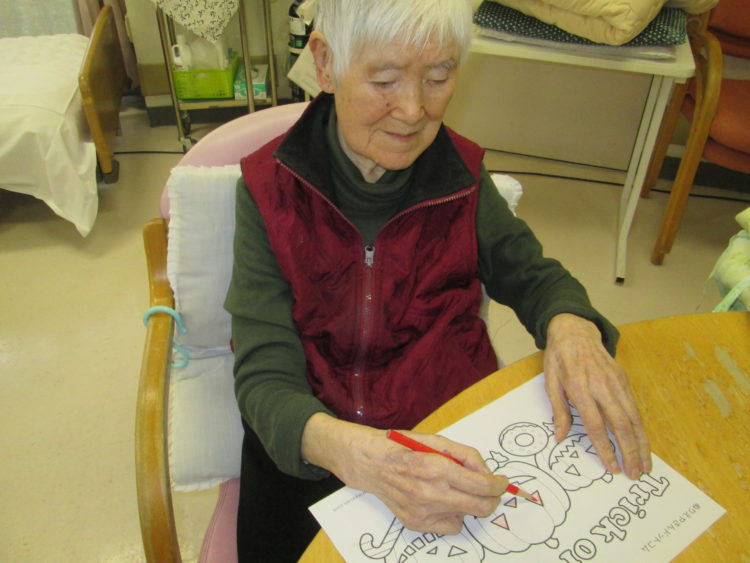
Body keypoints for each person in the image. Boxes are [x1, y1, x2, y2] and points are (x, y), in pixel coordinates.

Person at [224, 0, 652, 560]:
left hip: (449, 429)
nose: (412, 110)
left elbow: (534, 277)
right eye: (384, 80)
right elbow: (263, 376)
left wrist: (572, 327)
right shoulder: (268, 189)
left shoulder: (462, 177)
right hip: (314, 445)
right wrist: (361, 456)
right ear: (325, 64)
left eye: (438, 77)